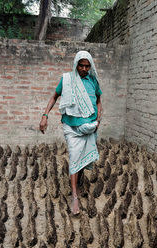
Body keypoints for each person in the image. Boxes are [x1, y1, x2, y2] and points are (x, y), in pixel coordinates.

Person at [39, 51, 102, 215]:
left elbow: (99, 100)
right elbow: (54, 96)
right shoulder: (67, 80)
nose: (84, 68)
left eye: (87, 66)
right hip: (71, 127)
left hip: (89, 126)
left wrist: (99, 119)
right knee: (75, 156)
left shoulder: (93, 80)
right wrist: (45, 116)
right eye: (81, 65)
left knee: (83, 155)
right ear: (76, 64)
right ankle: (74, 196)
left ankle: (79, 182)